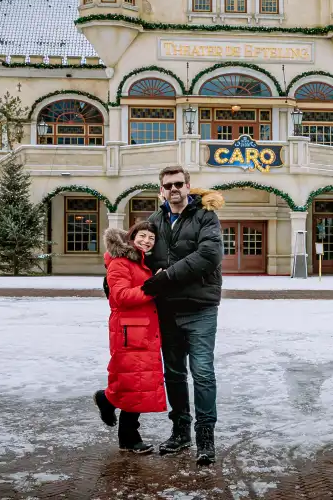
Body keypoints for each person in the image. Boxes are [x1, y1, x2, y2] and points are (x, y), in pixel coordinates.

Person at [141, 165, 224, 466]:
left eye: (179, 184)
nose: (174, 189)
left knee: (202, 374)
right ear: (161, 189)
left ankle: (205, 438)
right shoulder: (154, 220)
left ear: (188, 186)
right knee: (174, 374)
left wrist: (165, 278)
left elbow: (209, 256)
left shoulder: (205, 216)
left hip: (200, 308)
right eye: (168, 185)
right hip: (166, 310)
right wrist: (114, 273)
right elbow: (138, 252)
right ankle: (180, 432)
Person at [93, 223, 166, 454]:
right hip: (128, 332)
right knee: (135, 383)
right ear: (131, 237)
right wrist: (152, 287)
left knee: (136, 382)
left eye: (151, 238)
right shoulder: (120, 262)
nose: (146, 240)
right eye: (142, 236)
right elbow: (122, 296)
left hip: (141, 331)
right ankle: (129, 436)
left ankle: (107, 400)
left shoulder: (139, 262)